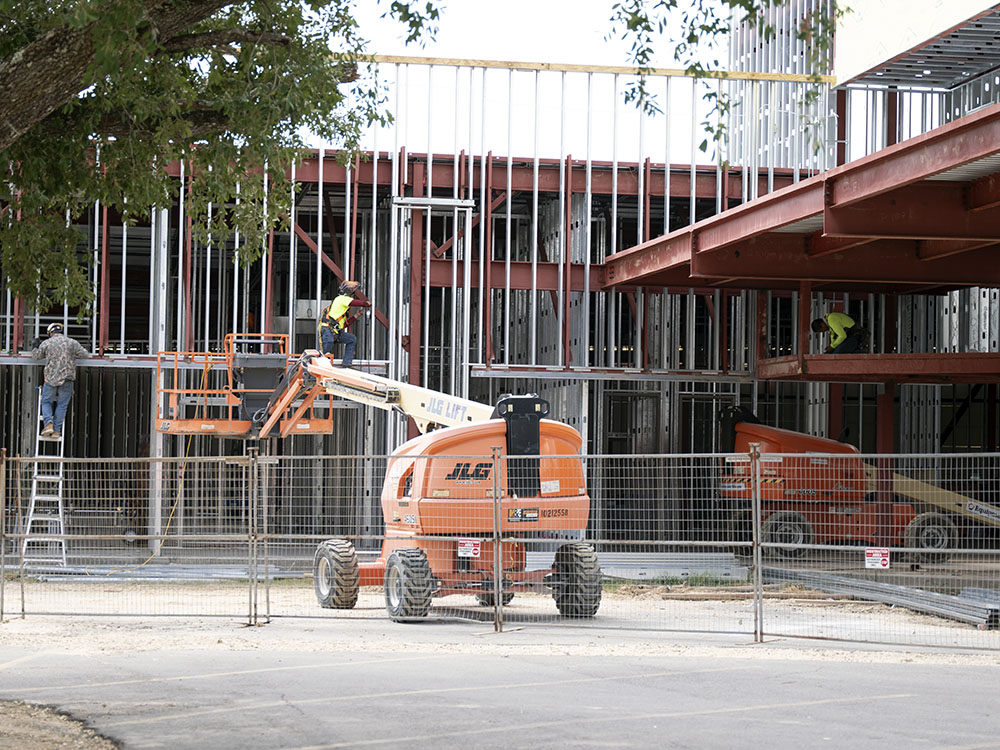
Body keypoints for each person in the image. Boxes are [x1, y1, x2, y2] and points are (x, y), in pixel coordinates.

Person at [30, 322, 89, 440]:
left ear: (51, 333)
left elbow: (36, 357)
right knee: (62, 405)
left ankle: (48, 424)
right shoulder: (72, 342)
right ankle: (56, 431)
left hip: (50, 379)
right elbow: (85, 354)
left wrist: (35, 346)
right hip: (67, 379)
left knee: (46, 402)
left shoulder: (47, 343)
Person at [319, 280, 368, 367]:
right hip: (328, 332)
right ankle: (315, 372)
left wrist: (356, 315)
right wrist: (367, 303)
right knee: (322, 356)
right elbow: (361, 303)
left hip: (334, 332)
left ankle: (346, 364)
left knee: (351, 339)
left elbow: (345, 324)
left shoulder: (342, 308)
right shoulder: (342, 299)